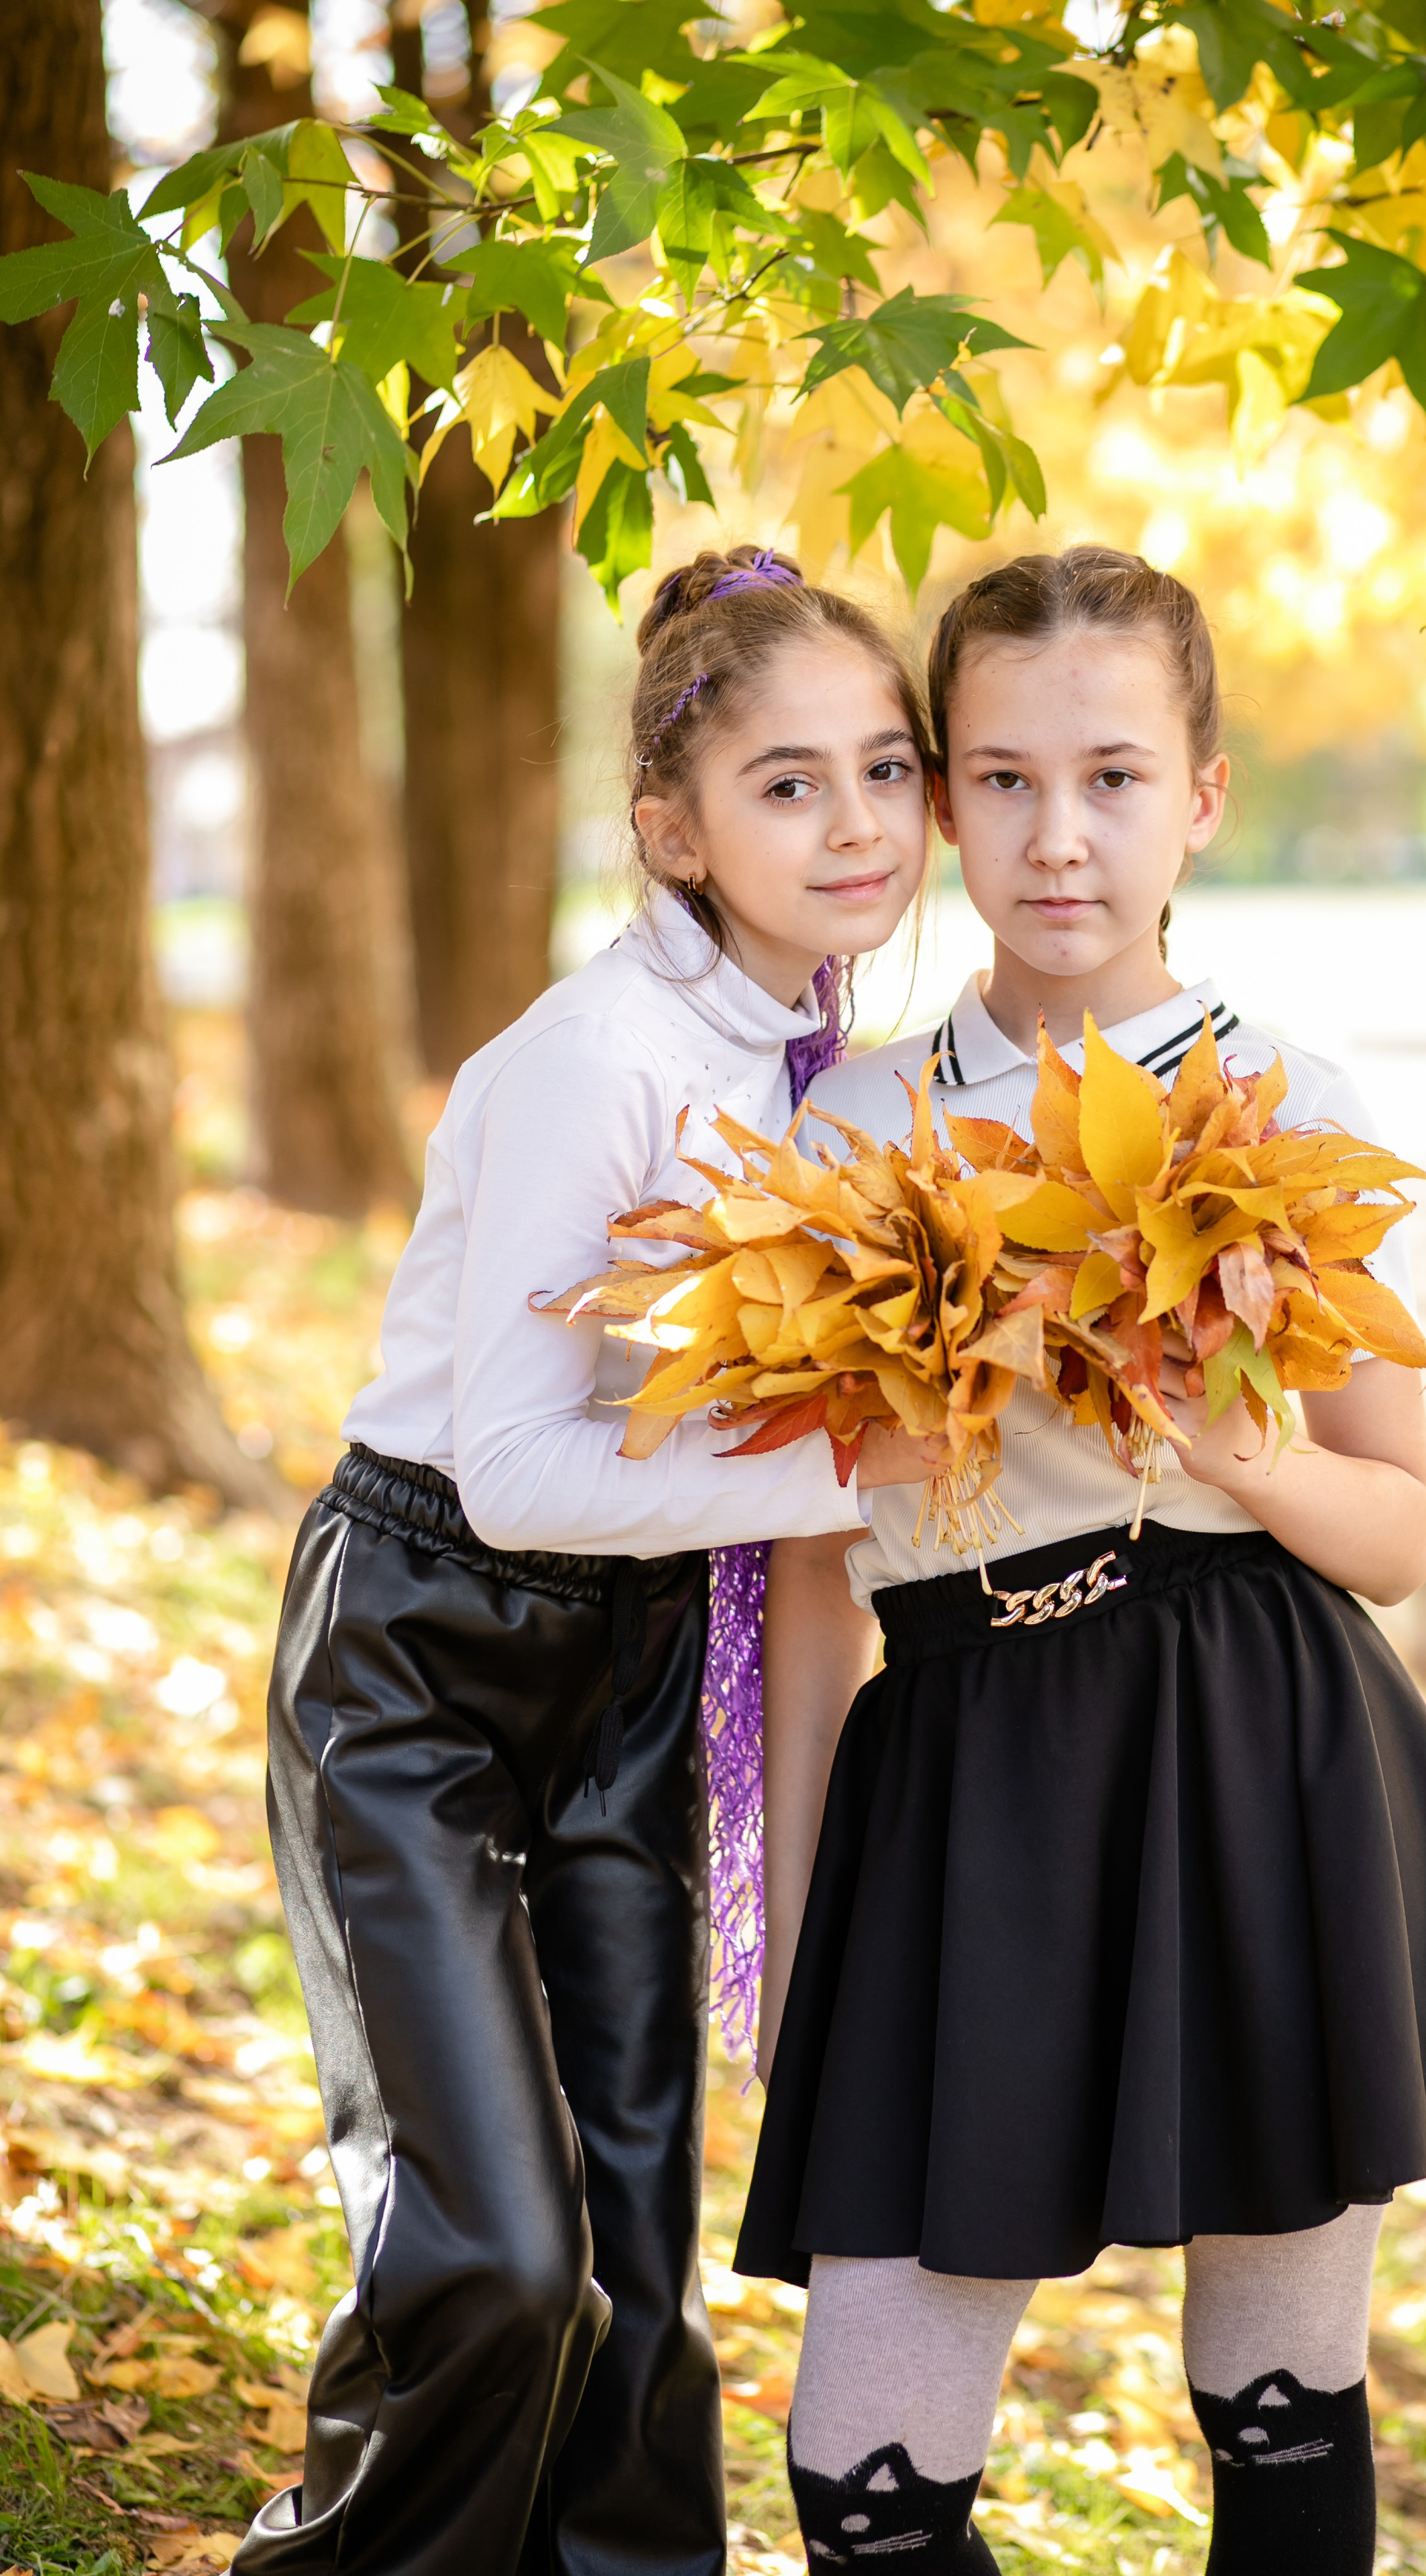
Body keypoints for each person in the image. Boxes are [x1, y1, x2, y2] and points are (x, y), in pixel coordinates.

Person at [735, 545, 1426, 2575]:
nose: (1060, 838)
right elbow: (802, 1576)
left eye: (1115, 777)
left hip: (1259, 1754)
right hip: (961, 1784)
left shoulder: (1289, 1101)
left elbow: (1400, 1533)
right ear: (942, 798)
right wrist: (784, 1917)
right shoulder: (856, 1125)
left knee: (1279, 2409)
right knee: (866, 2476)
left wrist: (1244, 1455)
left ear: (1202, 793)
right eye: (1007, 781)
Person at [235, 545, 943, 2576]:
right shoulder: (590, 1059)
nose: (860, 825)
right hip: (426, 1653)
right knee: (506, 2253)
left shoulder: (827, 1059)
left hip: (638, 1666)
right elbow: (529, 1472)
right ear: (673, 825)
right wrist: (840, 1479)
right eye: (788, 783)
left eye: (886, 772)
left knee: (639, 2262)